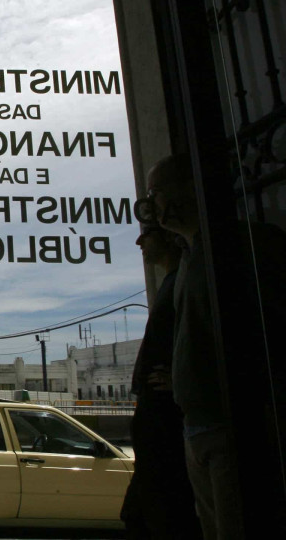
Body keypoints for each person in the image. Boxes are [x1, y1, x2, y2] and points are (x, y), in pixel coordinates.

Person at [147, 155, 242, 539]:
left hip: (228, 426)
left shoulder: (231, 251)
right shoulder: (189, 260)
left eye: (157, 193)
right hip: (197, 426)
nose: (152, 206)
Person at [120, 223, 201, 539]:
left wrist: (179, 379)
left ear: (169, 235)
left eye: (149, 231)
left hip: (169, 420)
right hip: (162, 420)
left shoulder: (183, 281)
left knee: (160, 514)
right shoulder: (174, 282)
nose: (140, 240)